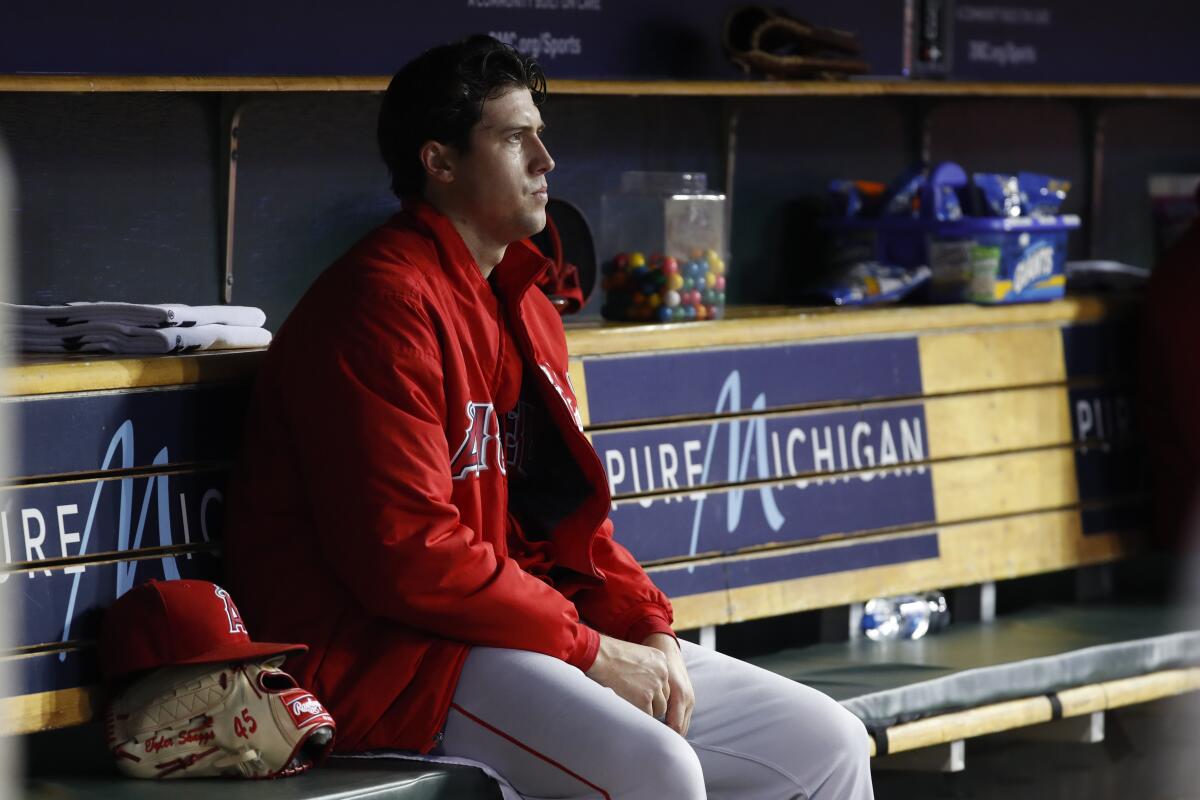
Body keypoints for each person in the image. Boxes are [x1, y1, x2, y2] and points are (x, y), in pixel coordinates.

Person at [224, 34, 873, 800]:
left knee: (825, 742)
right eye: (513, 137)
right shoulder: (379, 305)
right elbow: (408, 555)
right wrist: (592, 649)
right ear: (439, 161)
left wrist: (643, 628)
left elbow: (570, 524)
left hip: (514, 633)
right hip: (393, 660)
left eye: (541, 134)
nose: (545, 160)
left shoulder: (528, 305)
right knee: (657, 772)